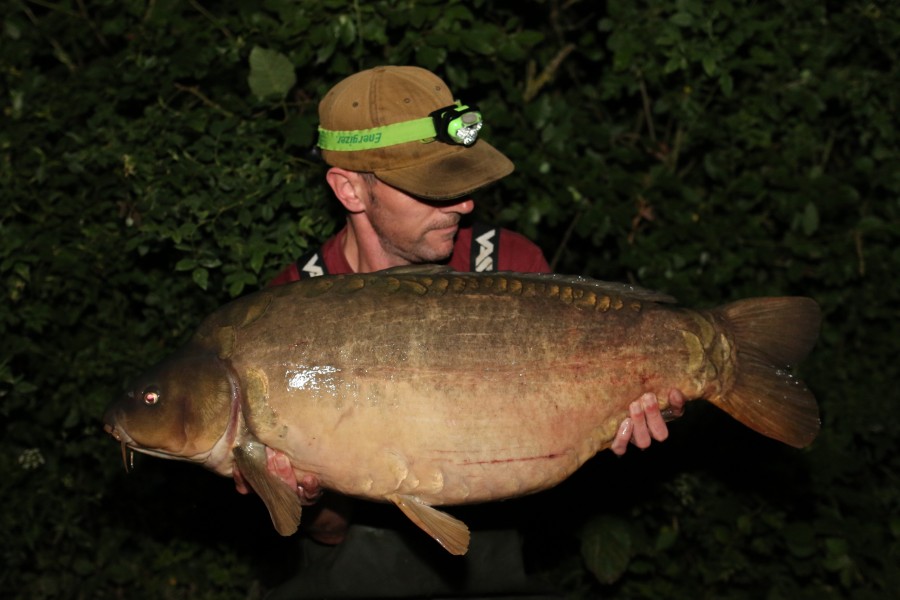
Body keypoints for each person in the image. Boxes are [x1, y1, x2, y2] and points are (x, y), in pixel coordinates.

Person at [251, 65, 685, 598]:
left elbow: (549, 453)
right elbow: (328, 532)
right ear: (350, 190)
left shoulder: (511, 266)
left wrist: (623, 408)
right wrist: (307, 498)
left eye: (461, 180)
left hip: (492, 559)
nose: (464, 204)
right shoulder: (283, 313)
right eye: (433, 188)